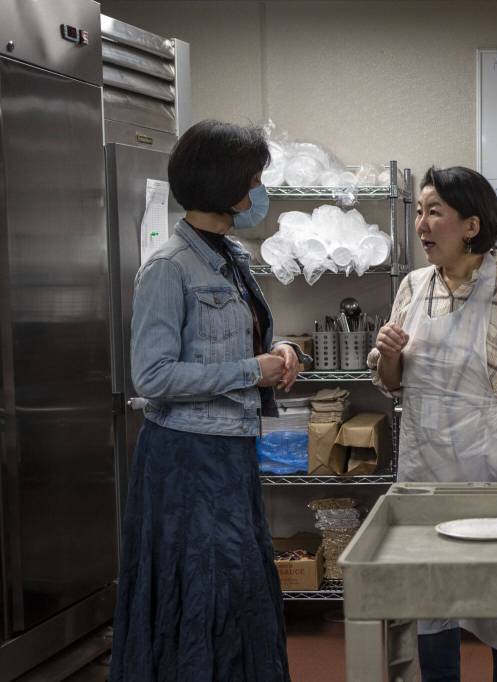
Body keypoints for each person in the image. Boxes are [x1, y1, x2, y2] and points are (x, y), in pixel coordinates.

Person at [111, 120, 310, 681]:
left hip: (229, 450)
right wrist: (253, 370)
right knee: (201, 587)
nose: (257, 195)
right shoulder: (169, 269)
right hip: (184, 458)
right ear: (226, 186)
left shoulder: (233, 257)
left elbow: (239, 342)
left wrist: (282, 351)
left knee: (237, 583)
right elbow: (151, 376)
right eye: (252, 181)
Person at [368, 166, 497, 682]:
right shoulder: (413, 287)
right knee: (432, 597)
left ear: (472, 225)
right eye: (418, 211)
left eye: (435, 212)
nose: (421, 225)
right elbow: (394, 383)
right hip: (426, 470)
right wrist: (389, 355)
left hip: (494, 470)